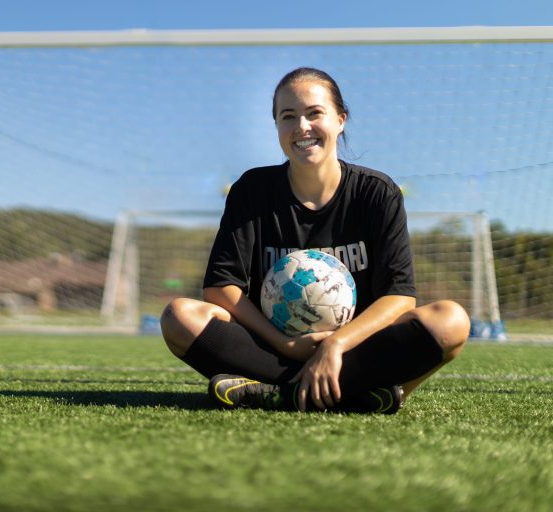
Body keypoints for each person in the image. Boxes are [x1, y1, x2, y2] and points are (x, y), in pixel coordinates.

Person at [160, 67, 470, 414]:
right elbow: (221, 288)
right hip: (272, 346)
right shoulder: (251, 191)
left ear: (340, 119)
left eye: (314, 113)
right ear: (276, 126)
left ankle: (279, 393)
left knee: (451, 321)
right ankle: (354, 398)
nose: (302, 127)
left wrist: (336, 344)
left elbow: (399, 296)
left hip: (356, 347)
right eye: (288, 116)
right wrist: (287, 343)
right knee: (179, 317)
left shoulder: (377, 193)